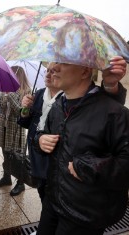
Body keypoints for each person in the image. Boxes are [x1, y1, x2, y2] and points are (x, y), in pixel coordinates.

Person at [34, 57, 129, 235]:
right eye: (53, 60)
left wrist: (90, 167)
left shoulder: (114, 112)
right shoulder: (58, 105)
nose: (52, 67)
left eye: (62, 62)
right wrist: (40, 140)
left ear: (85, 71)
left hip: (84, 214)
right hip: (53, 202)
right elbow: (43, 134)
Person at [17, 62, 61, 201]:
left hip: (53, 154)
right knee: (41, 190)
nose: (47, 74)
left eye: (53, 71)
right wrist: (25, 109)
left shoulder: (66, 97)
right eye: (46, 71)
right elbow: (26, 123)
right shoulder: (39, 93)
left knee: (54, 194)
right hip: (35, 150)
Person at [0, 66, 31, 196]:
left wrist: (10, 96)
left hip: (15, 128)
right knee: (5, 153)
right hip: (4, 126)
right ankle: (7, 177)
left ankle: (21, 183)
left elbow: (20, 111)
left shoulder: (26, 91)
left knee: (17, 156)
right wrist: (2, 95)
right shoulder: (6, 89)